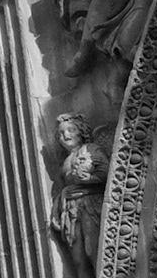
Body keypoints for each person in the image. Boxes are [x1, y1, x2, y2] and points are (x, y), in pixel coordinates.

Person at [49, 113, 108, 278]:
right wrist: (55, 212)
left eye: (70, 130)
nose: (65, 135)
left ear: (80, 131)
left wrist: (90, 179)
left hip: (89, 205)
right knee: (79, 260)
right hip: (71, 212)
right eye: (61, 134)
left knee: (94, 251)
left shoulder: (91, 149)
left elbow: (106, 173)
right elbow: (61, 191)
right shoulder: (65, 164)